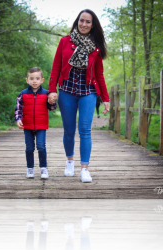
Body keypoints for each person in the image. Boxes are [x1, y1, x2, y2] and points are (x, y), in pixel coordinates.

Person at [47, 9, 110, 183]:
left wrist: (106, 98)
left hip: (88, 92)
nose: (84, 24)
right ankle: (69, 161)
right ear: (77, 21)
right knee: (68, 131)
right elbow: (56, 67)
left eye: (88, 22)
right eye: (81, 20)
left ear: (92, 25)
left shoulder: (95, 47)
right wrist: (52, 89)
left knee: (85, 130)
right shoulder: (64, 42)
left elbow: (99, 74)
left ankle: (84, 169)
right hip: (66, 91)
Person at [15, 67, 56, 179]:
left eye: (37, 78)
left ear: (42, 80)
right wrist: (18, 119)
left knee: (41, 146)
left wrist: (52, 101)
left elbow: (52, 108)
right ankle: (30, 169)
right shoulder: (22, 94)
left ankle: (43, 168)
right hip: (27, 125)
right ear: (27, 80)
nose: (34, 81)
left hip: (41, 125)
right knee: (29, 148)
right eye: (31, 78)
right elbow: (18, 109)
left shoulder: (46, 93)